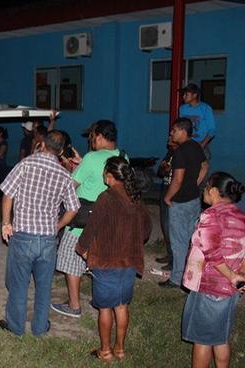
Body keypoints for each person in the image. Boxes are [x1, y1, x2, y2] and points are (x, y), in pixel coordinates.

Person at [0, 130, 80, 336]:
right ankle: (40, 327)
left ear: (43, 144)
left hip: (23, 236)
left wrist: (6, 223)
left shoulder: (25, 165)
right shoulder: (64, 174)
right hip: (48, 240)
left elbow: (7, 194)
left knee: (18, 286)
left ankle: (16, 328)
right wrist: (58, 226)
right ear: (60, 151)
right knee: (44, 287)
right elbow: (73, 208)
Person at [76, 157, 152, 362]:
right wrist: (133, 240)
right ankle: (120, 349)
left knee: (105, 308)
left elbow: (91, 227)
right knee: (121, 305)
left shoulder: (106, 197)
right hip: (129, 261)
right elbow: (146, 229)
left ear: (110, 176)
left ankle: (105, 351)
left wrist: (82, 248)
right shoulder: (135, 198)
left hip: (106, 261)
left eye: (104, 172)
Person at [52, 120, 126, 318]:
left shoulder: (92, 158)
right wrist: (81, 162)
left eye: (92, 136)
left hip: (83, 222)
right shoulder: (122, 156)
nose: (91, 140)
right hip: (111, 221)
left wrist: (69, 166)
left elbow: (70, 185)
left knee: (70, 259)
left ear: (100, 136)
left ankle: (74, 306)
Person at [182, 172, 245, 368]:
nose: (204, 191)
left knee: (202, 339)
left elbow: (211, 251)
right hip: (231, 289)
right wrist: (241, 275)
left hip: (210, 286)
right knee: (220, 338)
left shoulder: (211, 215)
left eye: (206, 187)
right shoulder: (240, 216)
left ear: (215, 191)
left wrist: (232, 276)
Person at [160, 118, 209, 289]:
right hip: (194, 199)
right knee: (191, 239)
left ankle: (177, 279)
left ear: (182, 131)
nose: (171, 133)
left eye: (174, 130)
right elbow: (205, 166)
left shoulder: (180, 152)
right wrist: (195, 183)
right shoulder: (196, 146)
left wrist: (167, 197)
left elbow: (178, 179)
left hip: (180, 202)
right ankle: (192, 273)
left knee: (178, 242)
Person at [156, 137, 178, 269]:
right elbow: (160, 172)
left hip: (174, 195)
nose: (169, 139)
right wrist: (165, 168)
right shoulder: (170, 153)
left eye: (172, 136)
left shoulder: (182, 154)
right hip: (165, 191)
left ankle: (174, 260)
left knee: (172, 228)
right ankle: (170, 255)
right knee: (165, 225)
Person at [179, 83, 216, 160]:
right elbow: (181, 127)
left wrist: (202, 144)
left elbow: (212, 130)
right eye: (183, 94)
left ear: (194, 95)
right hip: (186, 143)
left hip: (200, 143)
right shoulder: (182, 108)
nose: (183, 96)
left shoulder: (205, 108)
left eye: (186, 94)